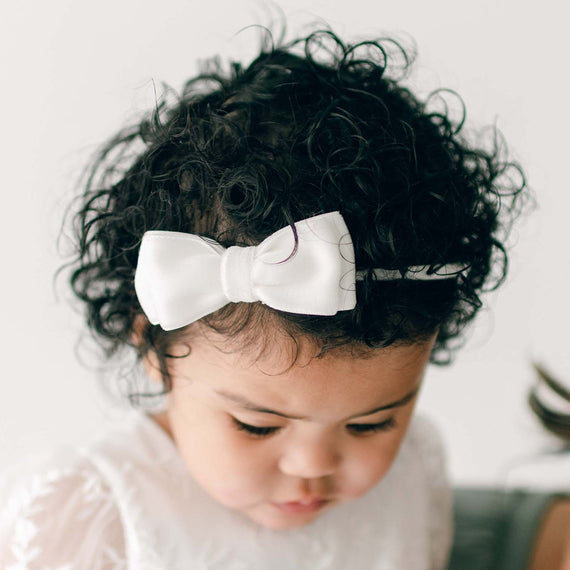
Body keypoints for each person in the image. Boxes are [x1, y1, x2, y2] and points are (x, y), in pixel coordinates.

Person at [0, 25, 525, 569]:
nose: (311, 465)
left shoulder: (415, 472)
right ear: (154, 348)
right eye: (258, 426)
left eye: (372, 424)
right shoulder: (90, 517)